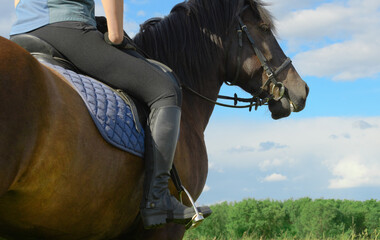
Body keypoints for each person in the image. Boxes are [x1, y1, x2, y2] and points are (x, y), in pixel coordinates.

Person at [10, 0, 210, 229]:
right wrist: (115, 34)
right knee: (165, 90)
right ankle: (158, 199)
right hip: (67, 31)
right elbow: (115, 36)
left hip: (21, 32)